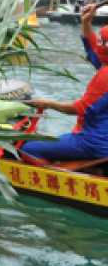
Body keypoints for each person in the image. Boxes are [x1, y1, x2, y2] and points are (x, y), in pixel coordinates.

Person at [22, 17, 108, 162]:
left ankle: (53, 177)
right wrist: (86, 22)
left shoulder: (105, 75)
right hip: (100, 139)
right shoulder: (104, 66)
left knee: (28, 148)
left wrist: (48, 103)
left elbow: (80, 108)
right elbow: (94, 50)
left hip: (92, 142)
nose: (96, 47)